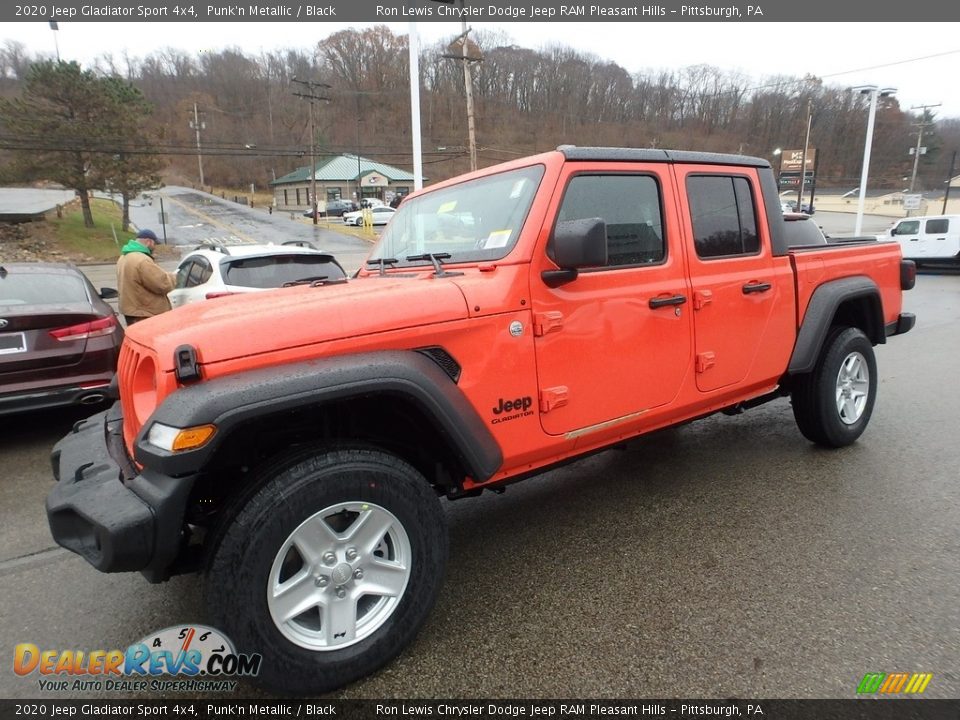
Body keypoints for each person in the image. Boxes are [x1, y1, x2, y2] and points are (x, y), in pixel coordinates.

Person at [116, 229, 176, 326]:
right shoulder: (143, 261)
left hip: (131, 311)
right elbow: (163, 284)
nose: (155, 247)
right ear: (149, 242)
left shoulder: (123, 257)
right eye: (154, 244)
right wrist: (175, 277)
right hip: (145, 313)